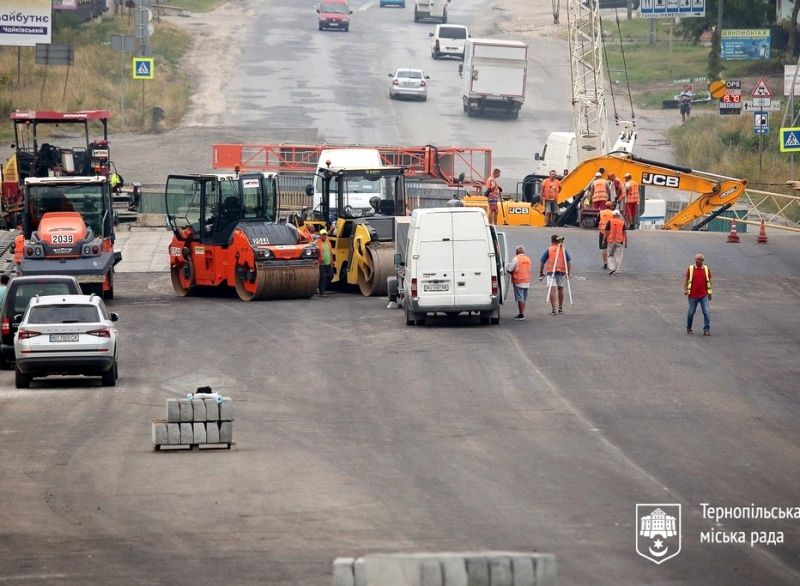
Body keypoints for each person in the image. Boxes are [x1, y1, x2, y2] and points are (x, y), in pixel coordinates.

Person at [539, 234, 572, 315]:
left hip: (551, 272)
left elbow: (542, 262)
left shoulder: (549, 249)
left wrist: (541, 272)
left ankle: (554, 309)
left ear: (551, 241)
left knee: (552, 290)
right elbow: (568, 262)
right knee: (560, 289)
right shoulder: (563, 249)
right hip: (561, 272)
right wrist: (568, 273)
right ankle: (560, 308)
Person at [685, 253, 712, 335]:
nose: (696, 261)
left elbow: (709, 281)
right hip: (693, 295)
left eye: (698, 259)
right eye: (695, 259)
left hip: (704, 295)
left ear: (702, 260)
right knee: (691, 312)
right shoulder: (691, 268)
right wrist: (685, 289)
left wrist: (710, 292)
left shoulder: (706, 269)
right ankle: (689, 327)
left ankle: (706, 329)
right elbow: (686, 280)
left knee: (706, 312)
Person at [506, 245, 532, 320]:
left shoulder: (516, 259)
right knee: (523, 298)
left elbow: (510, 270)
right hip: (526, 281)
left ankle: (521, 314)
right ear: (524, 251)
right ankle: (521, 313)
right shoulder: (528, 259)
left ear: (516, 252)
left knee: (520, 299)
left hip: (518, 281)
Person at [603, 210, 627, 275]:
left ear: (613, 215)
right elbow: (625, 233)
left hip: (611, 241)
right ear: (619, 216)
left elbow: (606, 232)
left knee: (610, 255)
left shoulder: (610, 221)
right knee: (619, 256)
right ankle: (618, 271)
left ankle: (612, 268)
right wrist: (626, 243)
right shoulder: (622, 222)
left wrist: (603, 240)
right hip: (619, 241)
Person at [316, 229, 333, 296]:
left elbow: (330, 252)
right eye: (323, 235)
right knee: (322, 277)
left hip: (328, 262)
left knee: (330, 275)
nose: (324, 236)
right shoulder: (317, 242)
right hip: (321, 263)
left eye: (325, 234)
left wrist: (332, 262)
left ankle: (322, 288)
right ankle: (322, 291)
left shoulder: (328, 241)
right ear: (320, 235)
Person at [597, 201, 614, 269]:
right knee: (611, 248)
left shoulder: (601, 212)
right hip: (611, 232)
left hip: (602, 232)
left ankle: (605, 263)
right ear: (611, 206)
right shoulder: (613, 213)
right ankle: (611, 263)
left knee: (604, 248)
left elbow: (597, 221)